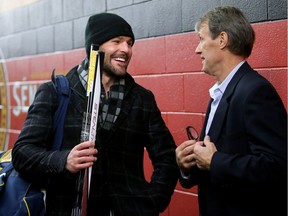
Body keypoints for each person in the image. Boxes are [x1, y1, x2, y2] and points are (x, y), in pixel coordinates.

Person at [12, 13, 178, 216]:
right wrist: (63, 160)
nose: (126, 49)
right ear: (95, 47)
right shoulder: (55, 92)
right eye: (116, 41)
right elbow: (22, 153)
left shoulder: (141, 98)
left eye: (129, 43)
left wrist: (151, 202)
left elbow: (167, 157)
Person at [175, 6, 287, 216]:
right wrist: (187, 165)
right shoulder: (221, 93)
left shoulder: (255, 91)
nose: (197, 49)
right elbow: (214, 166)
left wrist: (215, 161)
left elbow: (278, 168)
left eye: (201, 39)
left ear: (222, 39)